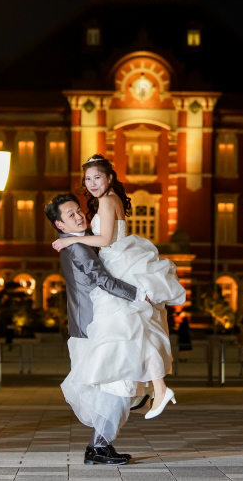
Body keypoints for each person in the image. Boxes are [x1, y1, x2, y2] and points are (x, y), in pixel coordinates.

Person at [52, 156, 186, 420]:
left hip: (117, 264)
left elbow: (104, 239)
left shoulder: (105, 200)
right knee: (137, 332)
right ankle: (154, 388)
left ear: (109, 178)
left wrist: (68, 242)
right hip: (122, 260)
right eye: (87, 179)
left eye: (97, 177)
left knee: (127, 331)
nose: (91, 183)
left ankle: (150, 388)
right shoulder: (111, 199)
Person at [45, 193, 159, 466]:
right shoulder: (79, 247)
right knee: (114, 386)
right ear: (60, 225)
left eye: (78, 210)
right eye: (70, 215)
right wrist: (138, 294)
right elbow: (102, 280)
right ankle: (97, 447)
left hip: (89, 324)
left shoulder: (77, 244)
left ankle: (101, 444)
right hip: (95, 327)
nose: (78, 215)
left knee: (111, 384)